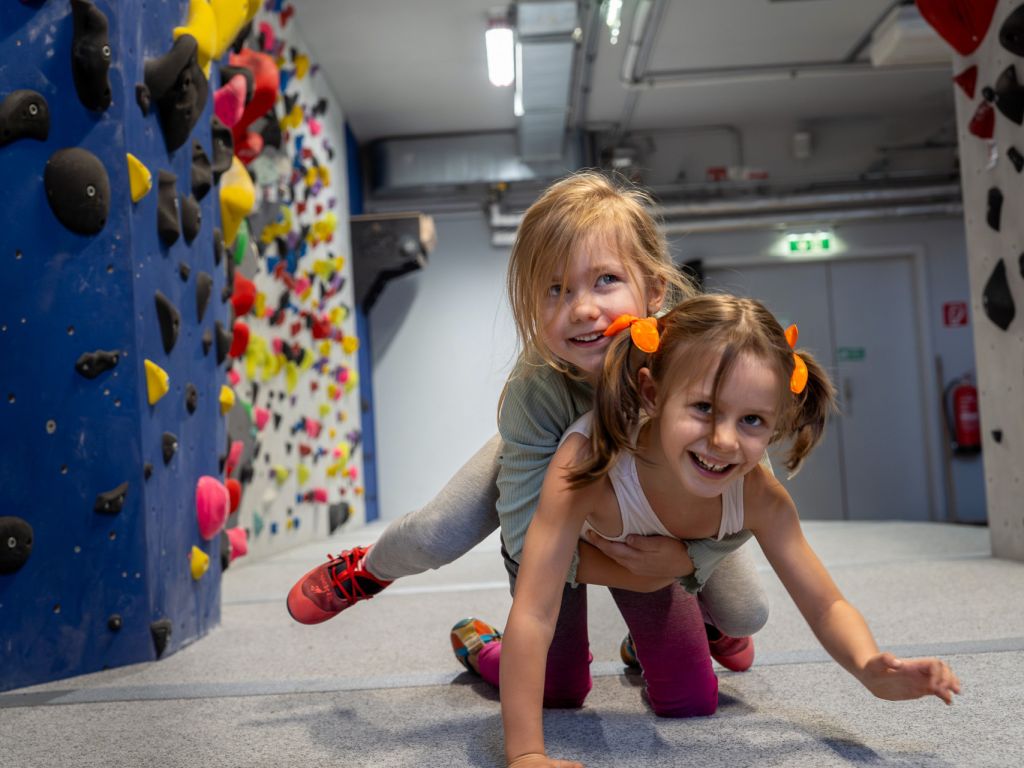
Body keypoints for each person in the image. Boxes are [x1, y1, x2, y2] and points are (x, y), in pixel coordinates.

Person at [287, 171, 770, 672]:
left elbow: (752, 494)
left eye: (606, 279)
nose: (583, 309)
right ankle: (370, 574)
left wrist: (689, 562)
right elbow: (522, 537)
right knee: (438, 531)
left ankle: (705, 626)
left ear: (653, 289)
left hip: (657, 479)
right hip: (551, 445)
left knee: (746, 613)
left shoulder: (697, 359)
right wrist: (605, 569)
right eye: (556, 289)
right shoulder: (537, 385)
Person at [488, 294, 961, 768]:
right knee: (559, 688)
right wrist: (526, 752)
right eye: (703, 408)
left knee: (692, 699)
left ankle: (648, 644)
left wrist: (868, 666)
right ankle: (485, 648)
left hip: (657, 559)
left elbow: (827, 603)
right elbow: (534, 610)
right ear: (652, 395)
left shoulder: (759, 497)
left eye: (752, 420)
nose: (724, 441)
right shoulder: (588, 462)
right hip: (559, 538)